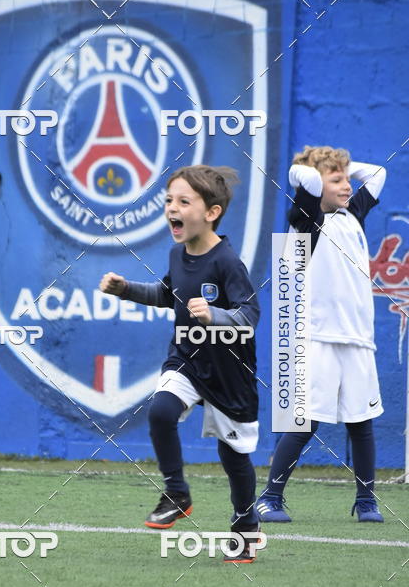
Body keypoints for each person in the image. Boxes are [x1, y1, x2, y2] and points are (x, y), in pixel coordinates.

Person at [99, 165, 262, 562]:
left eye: (183, 201)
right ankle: (177, 491)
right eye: (169, 200)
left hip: (228, 371)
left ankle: (245, 526)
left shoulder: (227, 262)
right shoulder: (177, 253)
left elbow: (250, 314)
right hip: (187, 358)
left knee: (233, 457)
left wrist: (215, 315)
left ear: (212, 212)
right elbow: (165, 294)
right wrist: (127, 291)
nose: (172, 207)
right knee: (160, 411)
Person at [257, 146, 386, 523]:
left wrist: (341, 167)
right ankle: (269, 498)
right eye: (337, 181)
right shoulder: (306, 220)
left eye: (347, 179)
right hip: (318, 340)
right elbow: (308, 181)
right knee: (304, 423)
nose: (347, 186)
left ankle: (366, 502)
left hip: (359, 341)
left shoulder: (353, 215)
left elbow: (377, 172)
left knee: (361, 425)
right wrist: (312, 170)